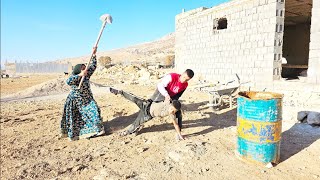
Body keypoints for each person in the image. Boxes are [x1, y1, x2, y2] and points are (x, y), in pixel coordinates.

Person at [60, 47, 104, 141]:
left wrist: (94, 54)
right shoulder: (74, 77)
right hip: (76, 101)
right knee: (77, 118)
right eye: (83, 69)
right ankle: (76, 134)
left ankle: (97, 129)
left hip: (87, 100)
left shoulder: (87, 75)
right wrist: (80, 75)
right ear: (78, 70)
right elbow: (68, 81)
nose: (85, 70)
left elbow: (93, 65)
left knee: (94, 110)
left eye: (85, 68)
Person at [109, 88, 184, 140]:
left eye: (174, 111)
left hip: (147, 115)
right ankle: (119, 92)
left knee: (136, 123)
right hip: (146, 104)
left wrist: (179, 134)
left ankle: (126, 132)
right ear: (170, 105)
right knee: (134, 98)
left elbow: (176, 124)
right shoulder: (167, 101)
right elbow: (164, 89)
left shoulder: (172, 115)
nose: (171, 111)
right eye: (172, 109)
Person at [150, 69, 194, 139]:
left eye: (187, 80)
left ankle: (178, 133)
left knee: (178, 114)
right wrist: (166, 95)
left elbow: (178, 95)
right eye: (184, 77)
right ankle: (133, 128)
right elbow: (160, 85)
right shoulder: (171, 77)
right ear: (182, 74)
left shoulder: (185, 85)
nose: (184, 80)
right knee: (149, 110)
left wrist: (173, 103)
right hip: (161, 94)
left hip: (170, 98)